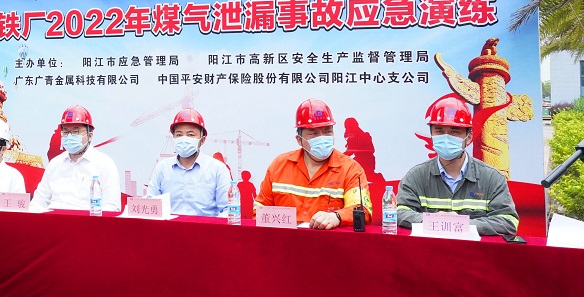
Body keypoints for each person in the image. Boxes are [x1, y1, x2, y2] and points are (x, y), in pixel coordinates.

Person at [396, 97, 519, 236]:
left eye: (454, 132)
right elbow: (399, 212)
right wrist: (434, 221)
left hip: (473, 250)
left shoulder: (492, 178)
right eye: (439, 131)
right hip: (430, 249)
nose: (446, 138)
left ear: (469, 136)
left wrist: (460, 224)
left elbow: (508, 221)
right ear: (431, 134)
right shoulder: (416, 176)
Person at [255, 99, 372, 229]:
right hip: (285, 240)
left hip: (328, 241)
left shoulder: (350, 169)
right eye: (314, 133)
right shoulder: (279, 165)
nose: (322, 137)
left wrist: (337, 217)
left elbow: (362, 211)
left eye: (327, 131)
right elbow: (259, 211)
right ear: (299, 140)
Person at [31, 105, 121, 212]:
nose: (69, 136)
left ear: (90, 135)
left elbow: (112, 207)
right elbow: (38, 201)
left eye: (75, 131)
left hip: (88, 220)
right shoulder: (55, 164)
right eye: (65, 132)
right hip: (54, 220)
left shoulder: (104, 164)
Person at [146, 109, 231, 216]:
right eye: (179, 135)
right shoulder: (162, 168)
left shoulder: (218, 169)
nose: (184, 139)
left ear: (202, 140)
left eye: (190, 135)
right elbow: (151, 205)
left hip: (205, 226)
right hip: (169, 226)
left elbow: (228, 209)